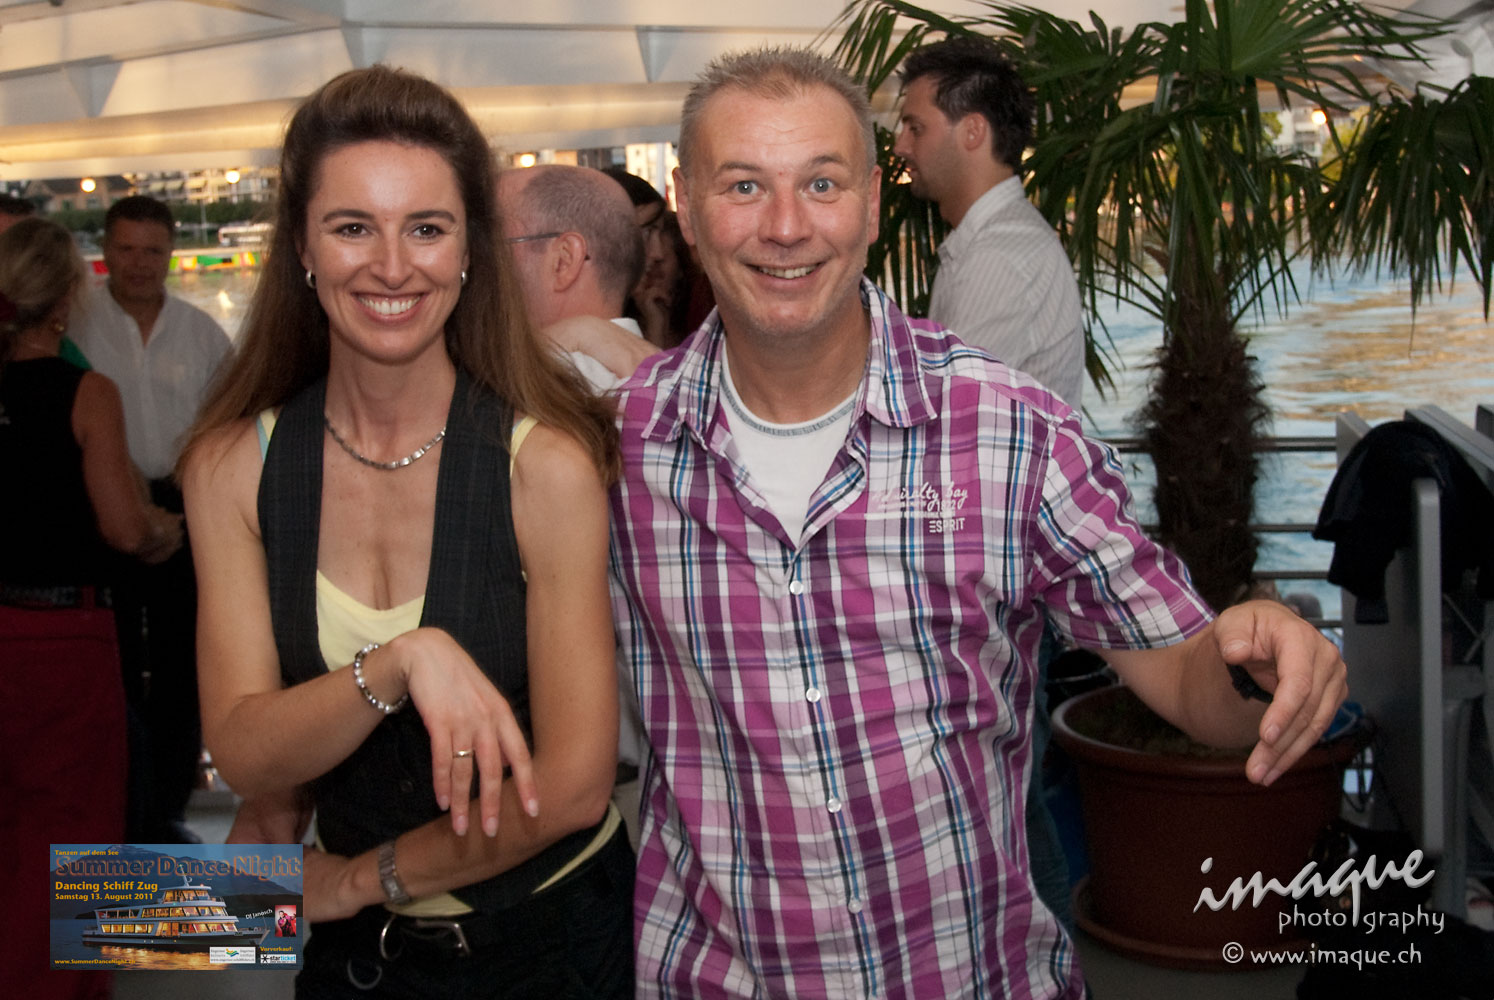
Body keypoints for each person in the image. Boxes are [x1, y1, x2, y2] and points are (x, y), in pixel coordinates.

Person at [607, 47, 1348, 999]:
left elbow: (1182, 672)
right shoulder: (615, 448)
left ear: (873, 203)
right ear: (686, 204)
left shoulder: (1011, 429)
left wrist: (1257, 657)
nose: (786, 227)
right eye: (744, 185)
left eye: (822, 183)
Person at [180, 66, 632, 997]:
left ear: (469, 251)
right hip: (359, 965)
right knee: (89, 911)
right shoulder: (232, 467)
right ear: (302, 247)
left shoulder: (543, 463)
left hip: (552, 945)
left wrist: (357, 880)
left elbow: (576, 787)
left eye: (427, 228)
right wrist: (397, 663)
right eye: (353, 227)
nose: (393, 266)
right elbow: (245, 752)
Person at [0, 216, 181, 1000]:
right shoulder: (86, 392)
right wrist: (170, 528)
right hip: (63, 638)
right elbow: (123, 527)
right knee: (74, 829)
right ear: (66, 301)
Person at [69, 194, 233, 842]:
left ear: (171, 254)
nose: (140, 263)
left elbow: (229, 425)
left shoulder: (202, 332)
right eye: (127, 249)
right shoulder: (75, 327)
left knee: (182, 665)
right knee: (110, 667)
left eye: (153, 251)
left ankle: (165, 813)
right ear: (105, 252)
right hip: (97, 507)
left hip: (183, 504)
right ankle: (119, 810)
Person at [893, 35, 1086, 407]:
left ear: (973, 131)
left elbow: (943, 414)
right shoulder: (990, 242)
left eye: (915, 128)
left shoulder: (998, 256)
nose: (900, 146)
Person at [498, 164, 646, 391]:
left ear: (563, 260)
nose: (469, 261)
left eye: (493, 244)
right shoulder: (662, 373)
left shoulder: (541, 387)